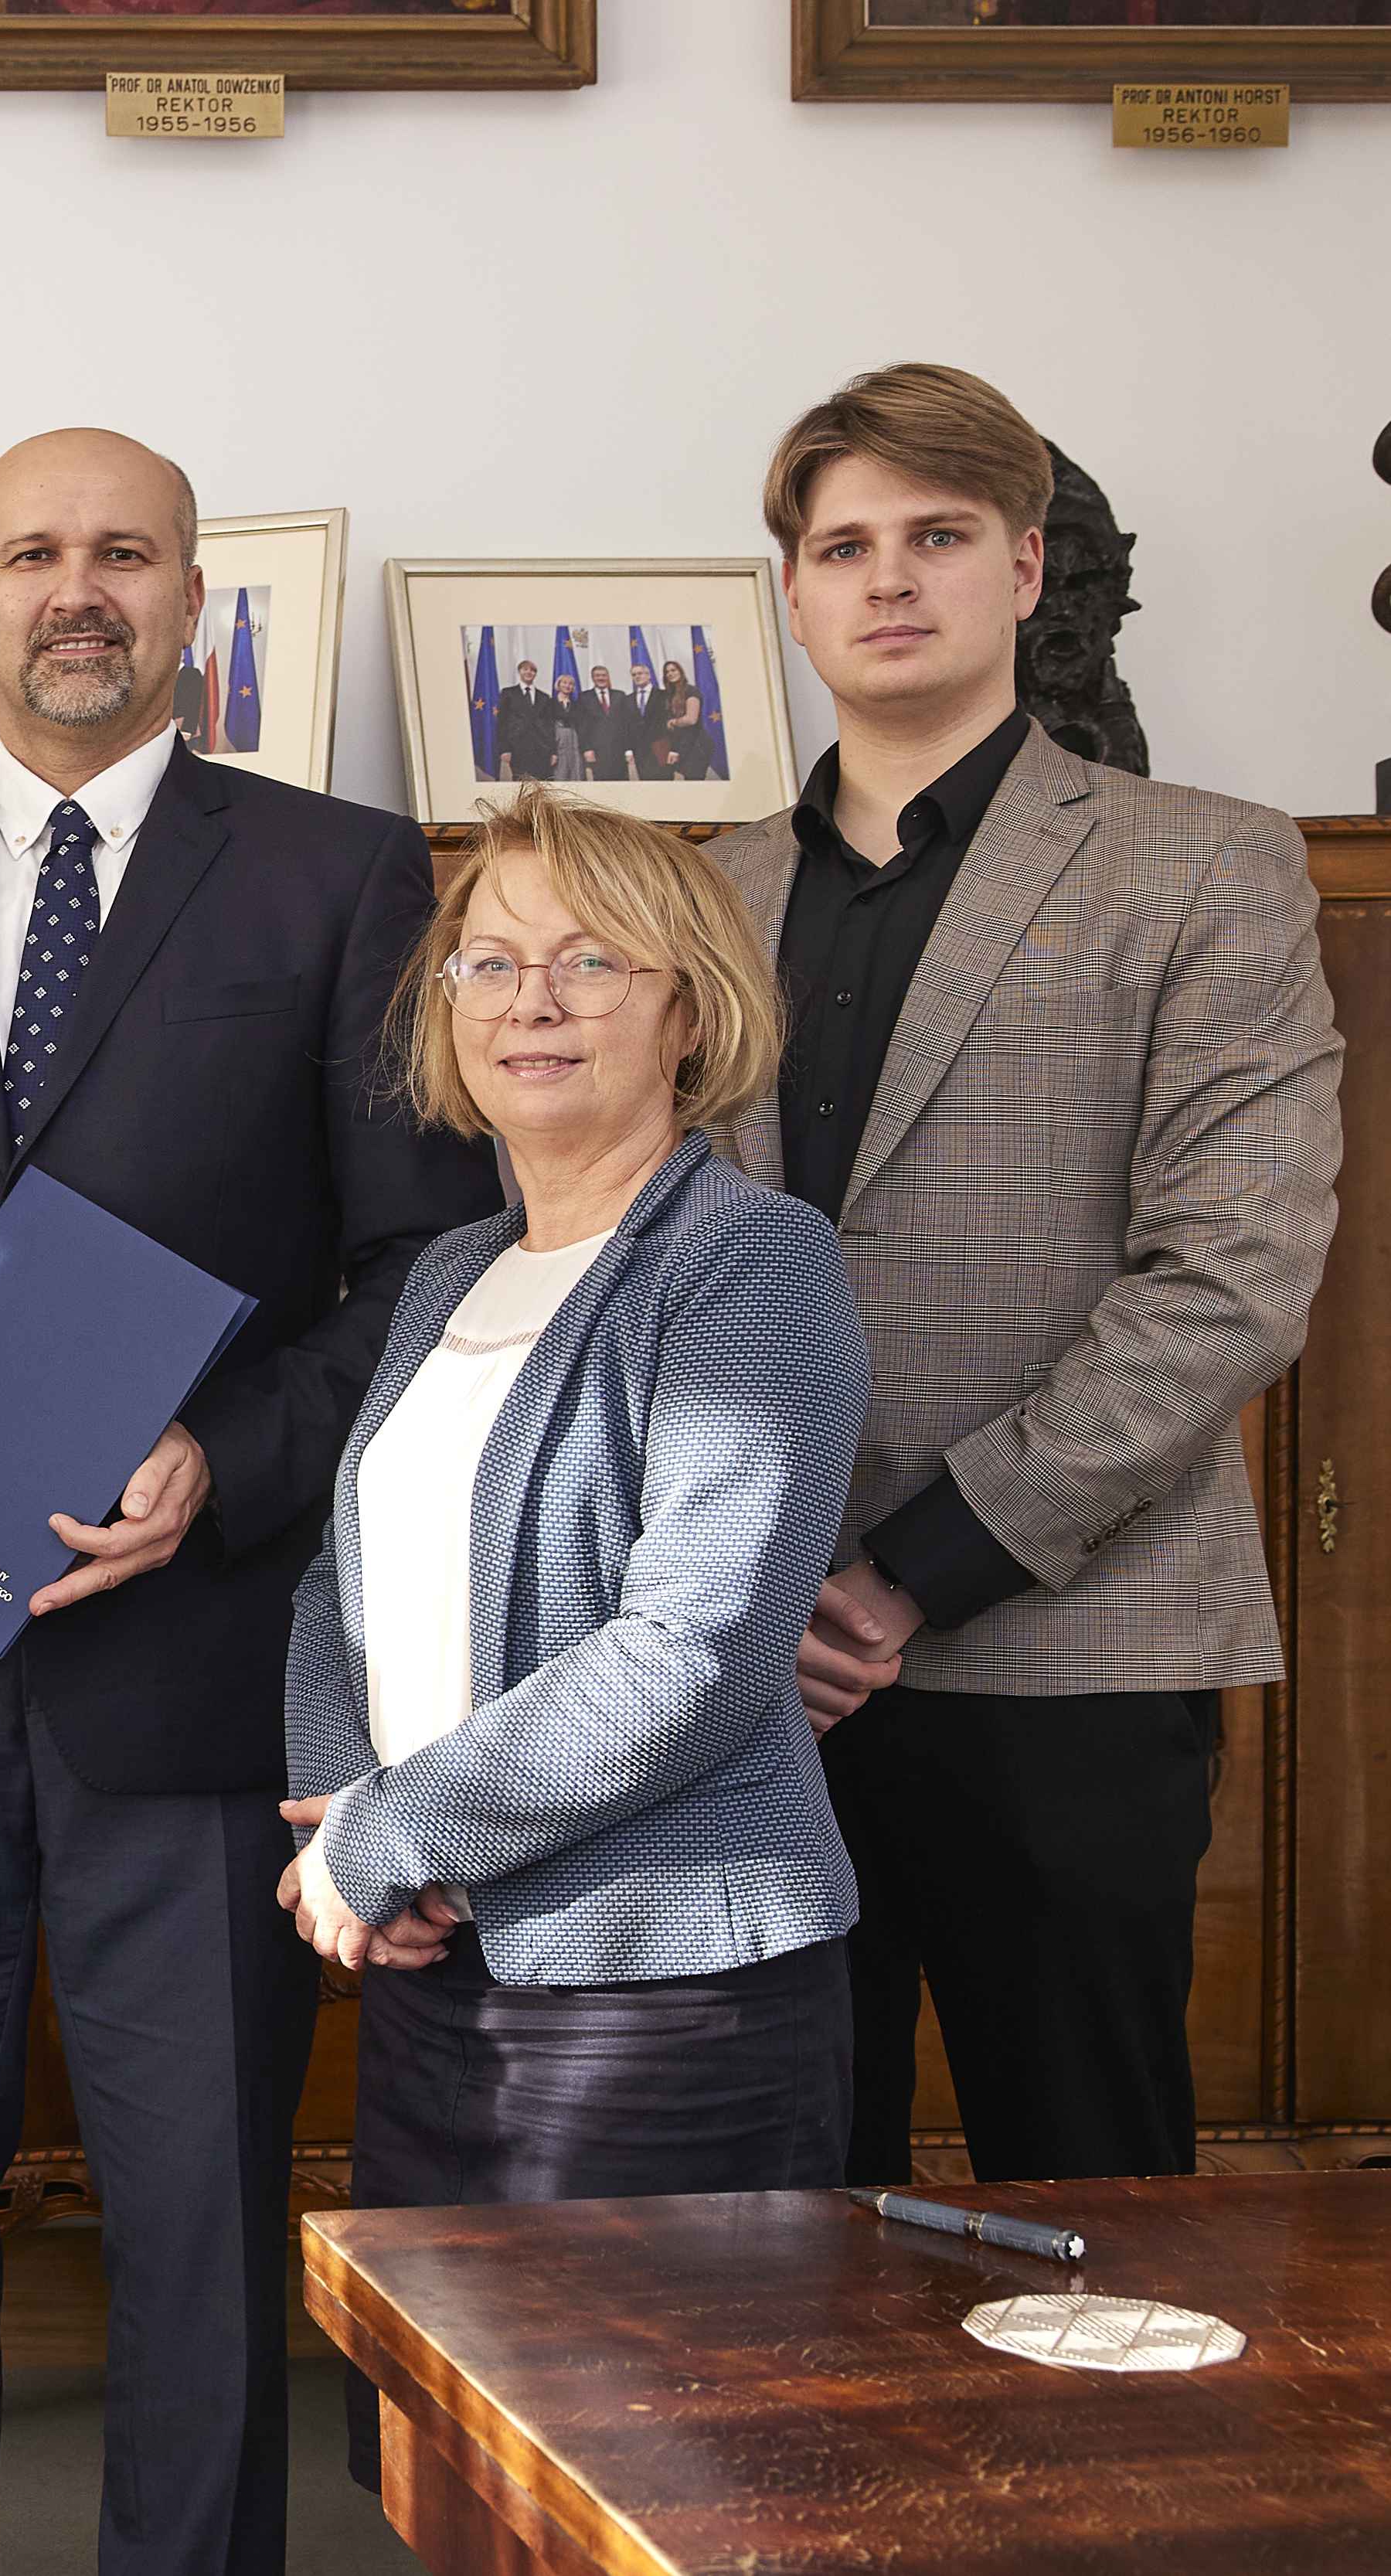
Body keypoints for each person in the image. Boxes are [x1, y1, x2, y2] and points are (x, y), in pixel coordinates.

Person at [0, 427, 502, 2576]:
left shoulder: (340, 875)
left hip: (193, 1674)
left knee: (204, 2226)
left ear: (189, 601)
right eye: (32, 551)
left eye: (123, 552)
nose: (78, 588)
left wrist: (225, 1460)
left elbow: (418, 1271)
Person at [719, 362, 1342, 2186]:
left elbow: (1231, 1275)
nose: (887, 577)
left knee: (1094, 2230)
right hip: (745, 1672)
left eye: (936, 534)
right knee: (759, 2231)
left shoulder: (1202, 866)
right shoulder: (701, 887)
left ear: (1021, 566)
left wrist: (910, 1577)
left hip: (1064, 1649)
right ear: (794, 592)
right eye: (845, 544)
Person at [279, 786, 865, 2489]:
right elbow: (341, 1577)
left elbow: (688, 1652)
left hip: (666, 1998)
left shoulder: (753, 1259)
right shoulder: (449, 1267)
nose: (530, 1000)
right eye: (490, 959)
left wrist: (394, 1835)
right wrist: (347, 1829)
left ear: (689, 1007)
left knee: (658, 2481)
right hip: (435, 1986)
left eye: (590, 959)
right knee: (452, 2469)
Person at [648, 660, 713, 783]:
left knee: (694, 784)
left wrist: (674, 722)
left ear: (681, 672)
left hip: (697, 744)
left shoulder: (691, 691)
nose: (670, 674)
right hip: (680, 744)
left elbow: (691, 719)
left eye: (673, 670)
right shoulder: (669, 694)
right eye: (667, 672)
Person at [492, 658, 553, 783]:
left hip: (541, 749)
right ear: (519, 672)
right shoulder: (508, 693)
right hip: (517, 748)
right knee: (521, 783)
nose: (529, 672)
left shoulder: (544, 697)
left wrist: (552, 750)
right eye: (525, 669)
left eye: (532, 670)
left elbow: (549, 726)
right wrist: (504, 749)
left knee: (542, 784)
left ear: (535, 674)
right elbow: (502, 723)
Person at [546, 671, 587, 781]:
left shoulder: (577, 704)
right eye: (564, 683)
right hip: (557, 739)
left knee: (576, 772)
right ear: (558, 685)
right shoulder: (549, 703)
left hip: (574, 740)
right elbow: (547, 727)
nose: (567, 686)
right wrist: (552, 752)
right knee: (560, 773)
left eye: (571, 684)